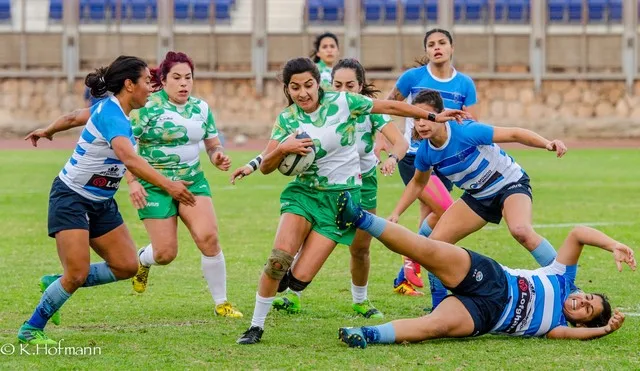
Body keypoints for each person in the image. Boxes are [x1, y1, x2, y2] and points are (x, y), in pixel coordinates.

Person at [236, 57, 469, 345]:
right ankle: (255, 327)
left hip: (340, 201)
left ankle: (295, 280)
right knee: (277, 260)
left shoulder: (345, 103)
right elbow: (268, 166)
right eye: (295, 88)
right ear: (287, 89)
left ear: (317, 83)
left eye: (308, 85)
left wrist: (433, 117)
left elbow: (392, 107)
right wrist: (283, 149)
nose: (303, 93)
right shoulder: (287, 119)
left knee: (299, 279)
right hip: (304, 195)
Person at [42, 51, 243, 318]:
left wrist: (217, 155)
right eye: (177, 77)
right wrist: (134, 182)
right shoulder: (140, 108)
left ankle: (222, 302)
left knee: (208, 237)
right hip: (151, 184)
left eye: (189, 77)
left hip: (189, 181)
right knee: (165, 253)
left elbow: (212, 143)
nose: (184, 83)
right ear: (163, 79)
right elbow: (128, 154)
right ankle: (68, 286)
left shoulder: (200, 108)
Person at [19, 55, 196, 345]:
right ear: (129, 85)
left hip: (101, 203)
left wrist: (49, 129)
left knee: (127, 266)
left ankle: (56, 283)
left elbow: (74, 116)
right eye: (146, 83)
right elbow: (130, 159)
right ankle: (31, 328)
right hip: (71, 198)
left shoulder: (109, 109)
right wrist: (170, 186)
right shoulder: (113, 116)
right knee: (75, 273)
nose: (151, 89)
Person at [334, 191, 635, 347]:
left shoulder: (557, 328)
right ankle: (358, 217)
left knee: (433, 327)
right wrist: (613, 245)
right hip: (494, 278)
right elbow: (578, 233)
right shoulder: (562, 278)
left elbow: (573, 336)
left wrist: (604, 330)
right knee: (425, 250)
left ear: (582, 325)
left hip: (486, 316)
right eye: (588, 297)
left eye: (586, 310)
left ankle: (366, 334)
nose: (581, 301)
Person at [272, 58, 409, 318]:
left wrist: (392, 158)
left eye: (350, 85)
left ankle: (361, 300)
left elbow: (400, 142)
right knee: (308, 234)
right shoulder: (324, 110)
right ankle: (293, 294)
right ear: (328, 85)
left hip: (363, 184)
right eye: (338, 85)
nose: (344, 91)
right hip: (324, 183)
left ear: (361, 86)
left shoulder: (370, 112)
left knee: (359, 247)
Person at [390, 89, 566, 274]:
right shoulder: (425, 152)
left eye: (427, 117)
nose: (422, 124)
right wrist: (396, 213)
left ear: (441, 115)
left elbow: (514, 134)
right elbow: (418, 183)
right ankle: (439, 302)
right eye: (417, 119)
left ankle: (566, 282)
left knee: (521, 230)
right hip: (478, 197)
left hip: (509, 183)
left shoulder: (466, 131)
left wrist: (547, 143)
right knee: (435, 247)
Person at [384, 28, 479, 301]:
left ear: (452, 47)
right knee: (448, 214)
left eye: (442, 43)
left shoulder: (465, 84)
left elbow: (473, 122)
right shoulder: (412, 78)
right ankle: (413, 256)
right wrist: (385, 139)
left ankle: (409, 273)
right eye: (431, 44)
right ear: (426, 50)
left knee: (433, 223)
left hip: (446, 160)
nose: (437, 48)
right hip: (416, 157)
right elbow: (387, 107)